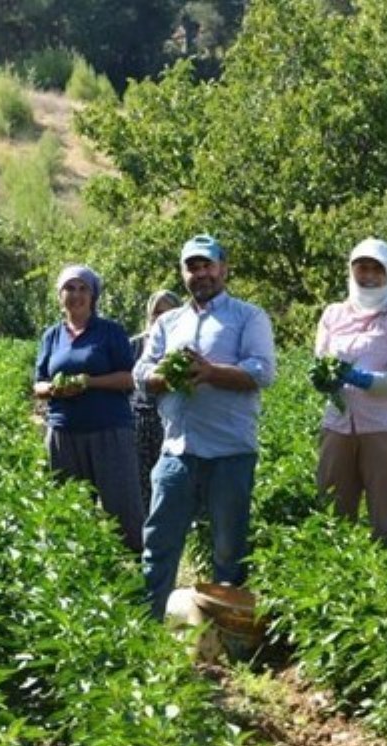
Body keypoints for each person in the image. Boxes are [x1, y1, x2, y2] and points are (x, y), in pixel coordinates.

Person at [135, 235, 276, 620]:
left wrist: (211, 372)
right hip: (177, 449)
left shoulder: (249, 316)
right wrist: (167, 375)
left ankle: (225, 630)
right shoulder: (168, 322)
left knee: (229, 548)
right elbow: (142, 373)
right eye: (192, 267)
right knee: (159, 542)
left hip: (230, 451)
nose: (200, 273)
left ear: (223, 268)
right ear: (183, 273)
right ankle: (149, 626)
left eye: (207, 265)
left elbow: (262, 372)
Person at [313, 238, 387, 545]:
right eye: (362, 267)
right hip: (338, 427)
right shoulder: (334, 314)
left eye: (378, 269)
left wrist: (359, 378)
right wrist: (325, 381)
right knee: (333, 517)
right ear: (351, 271)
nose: (370, 275)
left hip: (386, 431)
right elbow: (321, 361)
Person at [32, 264, 144, 552]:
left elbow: (129, 378)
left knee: (122, 510)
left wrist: (88, 382)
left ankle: (134, 576)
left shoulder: (110, 332)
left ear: (93, 296)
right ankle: (77, 580)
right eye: (69, 288)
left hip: (109, 431)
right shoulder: (52, 336)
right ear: (60, 296)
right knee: (68, 511)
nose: (76, 294)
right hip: (63, 433)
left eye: (83, 288)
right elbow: (38, 384)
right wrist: (55, 389)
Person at [129, 289, 180, 511]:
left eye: (169, 313)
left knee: (170, 481)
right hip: (138, 418)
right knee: (140, 480)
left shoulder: (183, 348)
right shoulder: (135, 345)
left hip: (171, 420)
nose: (161, 318)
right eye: (156, 313)